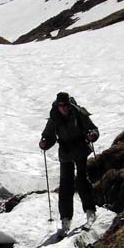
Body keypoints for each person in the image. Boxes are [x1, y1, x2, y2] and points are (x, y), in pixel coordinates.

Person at [39, 92, 99, 238]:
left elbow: (93, 129)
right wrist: (45, 142)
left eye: (66, 105)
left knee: (82, 179)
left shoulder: (78, 113)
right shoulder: (54, 116)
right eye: (61, 105)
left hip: (80, 149)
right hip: (65, 152)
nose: (64, 108)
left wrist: (92, 135)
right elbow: (49, 135)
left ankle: (90, 212)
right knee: (66, 184)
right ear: (57, 106)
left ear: (70, 105)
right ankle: (65, 220)